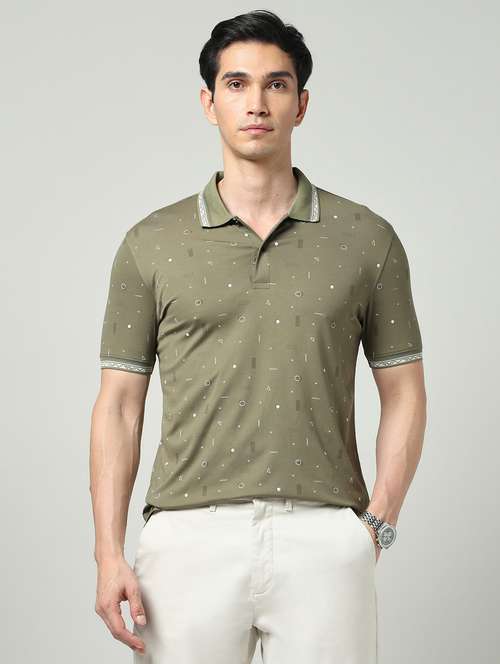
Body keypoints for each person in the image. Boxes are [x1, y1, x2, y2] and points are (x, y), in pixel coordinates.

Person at [90, 9, 427, 663]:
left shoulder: (367, 239)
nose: (257, 103)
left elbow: (406, 391)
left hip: (325, 537)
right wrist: (108, 552)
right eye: (237, 84)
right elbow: (119, 406)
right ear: (208, 103)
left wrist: (377, 524)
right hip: (186, 540)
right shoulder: (150, 244)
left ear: (301, 104)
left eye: (276, 84)